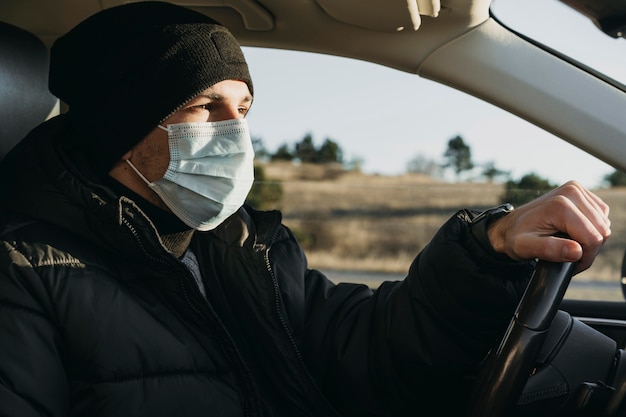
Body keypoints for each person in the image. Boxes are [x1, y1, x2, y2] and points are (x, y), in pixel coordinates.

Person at [0, 2, 610, 416]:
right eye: (204, 106)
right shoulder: (22, 273)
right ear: (119, 125)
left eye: (243, 109)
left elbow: (367, 347)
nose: (234, 132)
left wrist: (489, 250)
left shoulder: (239, 251)